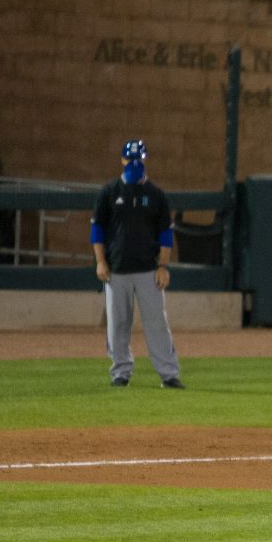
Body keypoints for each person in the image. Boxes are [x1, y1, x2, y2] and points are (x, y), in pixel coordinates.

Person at [91, 139, 184, 389]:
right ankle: (120, 372)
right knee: (118, 324)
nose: (134, 164)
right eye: (130, 159)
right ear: (122, 160)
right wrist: (100, 262)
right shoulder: (109, 192)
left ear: (144, 160)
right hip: (116, 269)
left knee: (157, 323)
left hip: (147, 270)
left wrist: (163, 266)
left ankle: (168, 374)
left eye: (138, 159)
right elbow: (97, 232)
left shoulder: (155, 195)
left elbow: (165, 234)